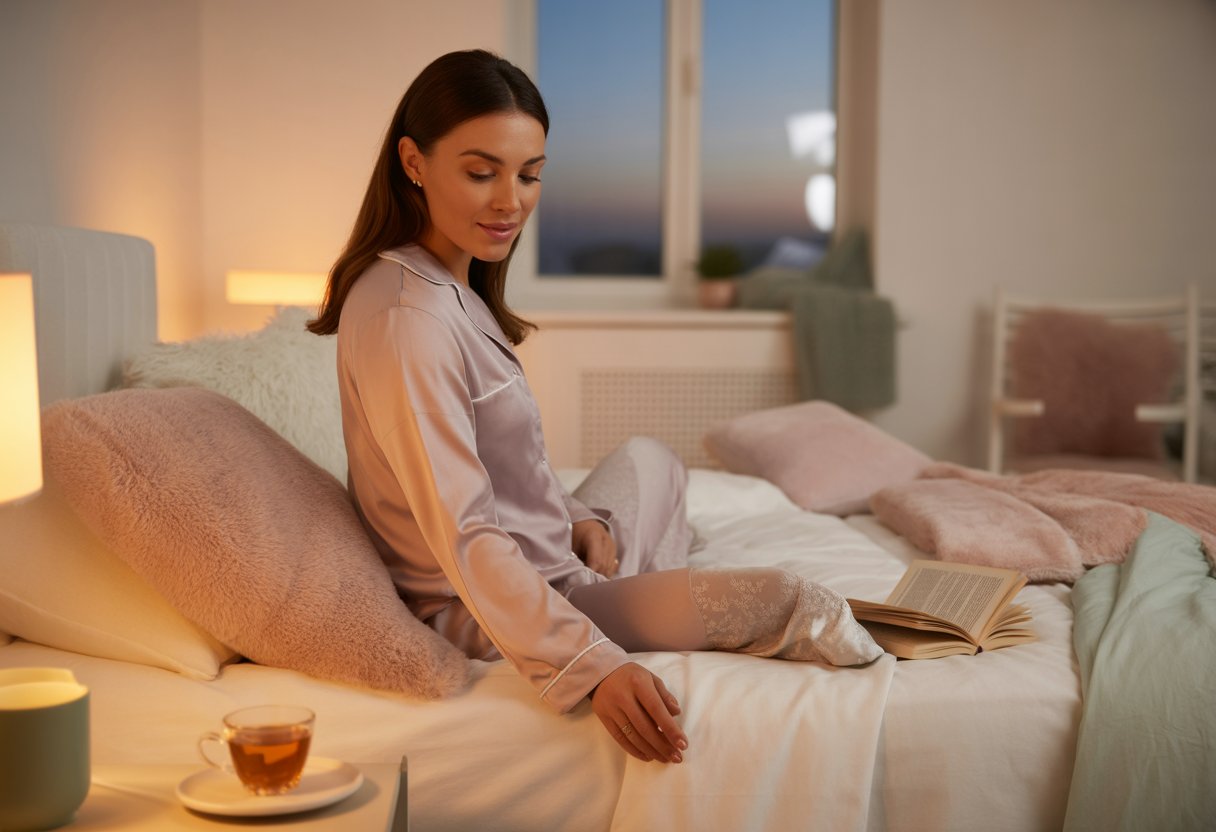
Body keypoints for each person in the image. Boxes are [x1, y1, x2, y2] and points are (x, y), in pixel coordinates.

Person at [308, 49, 881, 765]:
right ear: (414, 163)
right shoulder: (405, 318)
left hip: (557, 559)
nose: (509, 200)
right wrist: (595, 663)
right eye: (481, 172)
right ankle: (641, 601)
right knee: (788, 601)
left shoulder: (447, 285)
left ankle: (627, 579)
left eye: (530, 174)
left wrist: (576, 516)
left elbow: (510, 463)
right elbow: (464, 535)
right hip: (505, 604)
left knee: (651, 457)